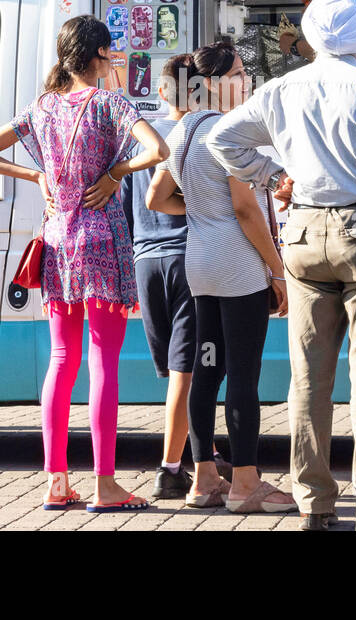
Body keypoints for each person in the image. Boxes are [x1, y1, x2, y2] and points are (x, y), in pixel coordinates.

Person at [205, 0, 356, 532]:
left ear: (309, 33)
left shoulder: (280, 89)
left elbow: (222, 139)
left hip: (304, 233)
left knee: (308, 377)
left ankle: (314, 505)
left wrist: (272, 177)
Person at [0, 14, 169, 513]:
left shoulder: (41, 108)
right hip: (101, 241)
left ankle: (56, 482)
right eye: (110, 52)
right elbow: (158, 149)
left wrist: (35, 175)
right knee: (104, 363)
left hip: (58, 242)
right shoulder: (111, 103)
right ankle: (105, 485)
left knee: (62, 361)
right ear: (99, 55)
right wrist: (117, 170)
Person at [146, 42, 297, 514]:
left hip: (200, 264)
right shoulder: (227, 132)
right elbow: (245, 208)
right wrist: (276, 270)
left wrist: (201, 212)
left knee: (205, 372)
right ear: (210, 83)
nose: (245, 80)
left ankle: (203, 480)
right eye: (236, 73)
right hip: (238, 267)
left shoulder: (185, 128)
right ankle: (246, 484)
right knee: (244, 377)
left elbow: (157, 198)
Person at [119, 53, 232, 498]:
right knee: (190, 371)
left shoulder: (140, 141)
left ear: (162, 92)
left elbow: (130, 206)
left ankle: (204, 450)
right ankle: (170, 469)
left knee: (177, 370)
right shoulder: (200, 136)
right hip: (188, 258)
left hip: (147, 260)